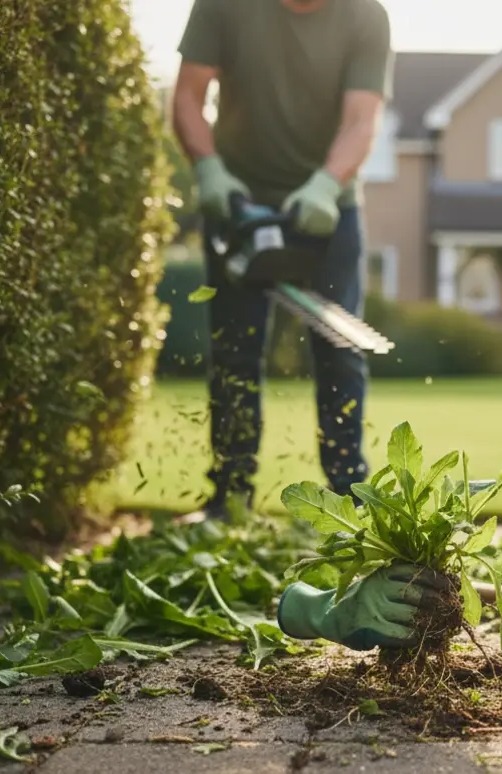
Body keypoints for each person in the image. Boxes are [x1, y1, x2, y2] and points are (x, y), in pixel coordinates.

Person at [171, 0, 393, 523]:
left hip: (326, 210)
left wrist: (325, 183)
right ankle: (230, 500)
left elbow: (363, 119)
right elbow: (186, 95)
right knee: (235, 355)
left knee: (340, 352)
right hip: (238, 204)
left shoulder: (365, 15)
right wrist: (208, 169)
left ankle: (348, 503)